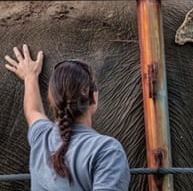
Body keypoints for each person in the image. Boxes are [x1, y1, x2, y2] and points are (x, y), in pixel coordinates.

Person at [4, 44, 130, 191]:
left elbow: (33, 111)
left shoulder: (41, 138)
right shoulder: (107, 151)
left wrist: (30, 77)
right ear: (94, 98)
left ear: (52, 101)